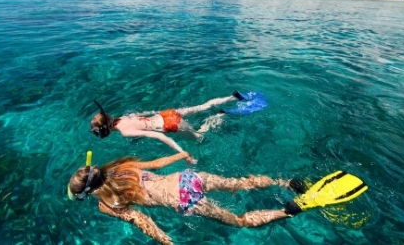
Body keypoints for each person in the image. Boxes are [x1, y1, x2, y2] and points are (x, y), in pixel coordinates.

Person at [67, 151, 303, 245]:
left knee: (240, 221)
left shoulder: (106, 203)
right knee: (239, 183)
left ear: (88, 192)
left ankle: (288, 211)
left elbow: (141, 220)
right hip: (187, 178)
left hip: (185, 200)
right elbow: (157, 164)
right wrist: (182, 154)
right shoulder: (123, 167)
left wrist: (166, 242)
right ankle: (284, 182)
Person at [90, 91, 246, 164]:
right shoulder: (122, 118)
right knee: (201, 106)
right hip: (166, 114)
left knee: (200, 137)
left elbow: (159, 136)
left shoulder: (125, 132)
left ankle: (219, 115)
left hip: (170, 124)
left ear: (106, 131)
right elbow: (145, 114)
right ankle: (232, 97)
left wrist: (182, 153)